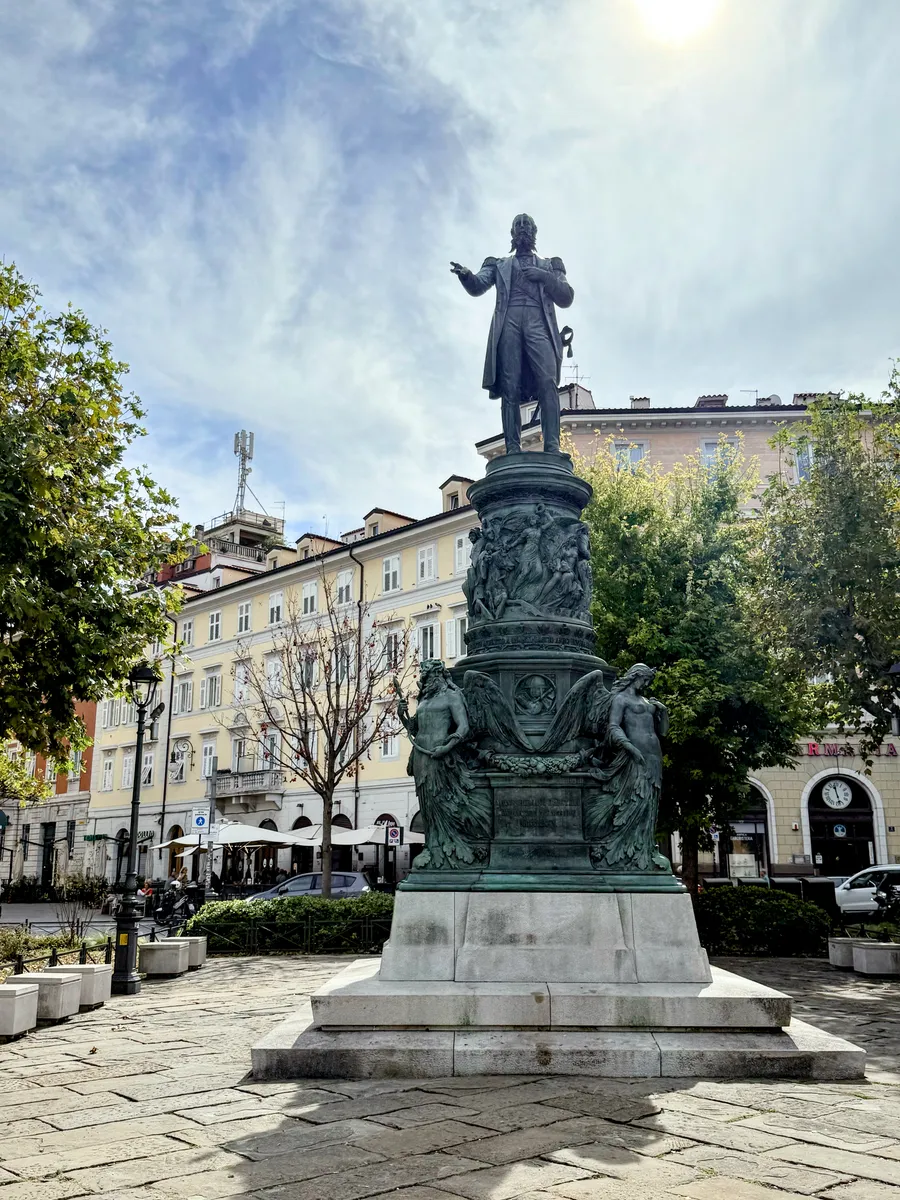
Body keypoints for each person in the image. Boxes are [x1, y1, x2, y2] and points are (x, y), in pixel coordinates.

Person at [451, 214, 574, 455]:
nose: (522, 228)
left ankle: (552, 446)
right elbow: (478, 285)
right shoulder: (498, 264)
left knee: (548, 382)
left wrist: (545, 277)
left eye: (526, 224)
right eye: (518, 225)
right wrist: (466, 275)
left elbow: (566, 296)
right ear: (512, 233)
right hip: (509, 323)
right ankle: (512, 448)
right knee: (510, 386)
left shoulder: (551, 265)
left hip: (539, 323)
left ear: (534, 231)